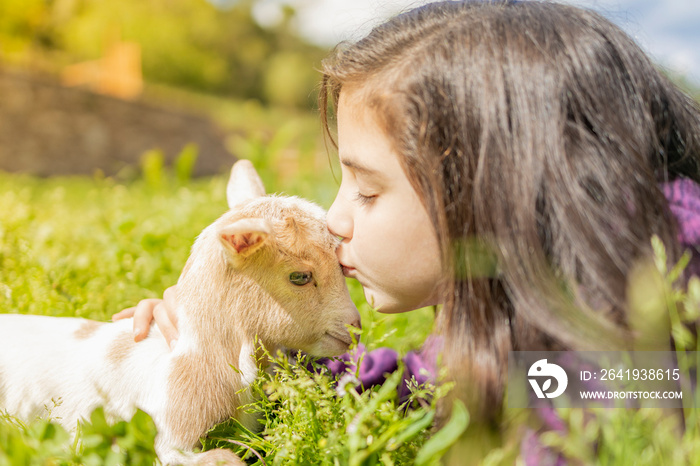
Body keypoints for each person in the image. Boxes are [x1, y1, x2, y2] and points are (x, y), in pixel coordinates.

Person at [113, 0, 700, 462]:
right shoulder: (524, 305)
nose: (336, 221)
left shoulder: (645, 329)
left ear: (489, 189)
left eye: (367, 191)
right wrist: (227, 334)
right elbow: (435, 386)